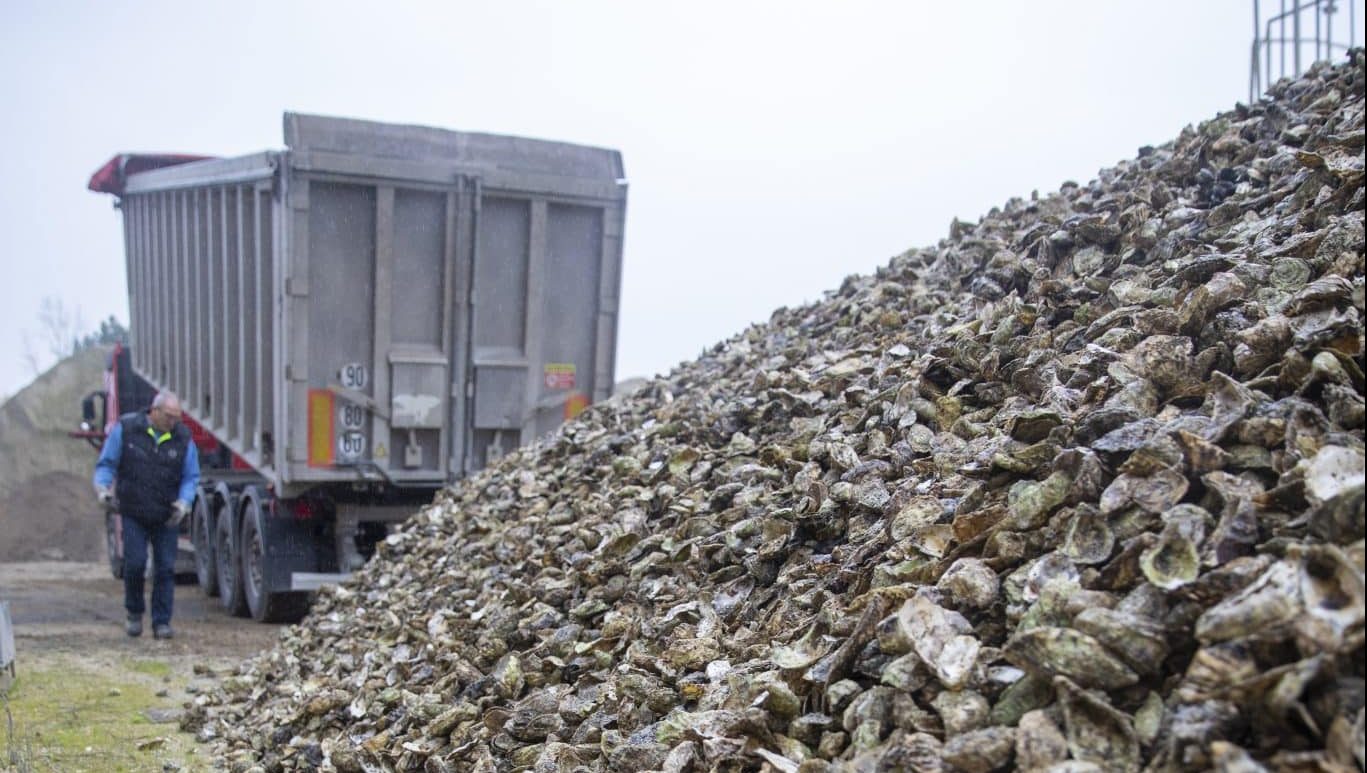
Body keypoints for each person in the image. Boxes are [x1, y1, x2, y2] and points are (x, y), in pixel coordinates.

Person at [93, 391, 200, 639]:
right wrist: (102, 489)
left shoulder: (183, 439)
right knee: (135, 564)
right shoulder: (127, 429)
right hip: (133, 512)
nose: (173, 422)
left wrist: (184, 502)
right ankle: (134, 614)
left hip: (166, 515)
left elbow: (190, 476)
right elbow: (107, 463)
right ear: (155, 411)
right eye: (169, 417)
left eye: (177, 418)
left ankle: (162, 622)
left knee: (165, 569)